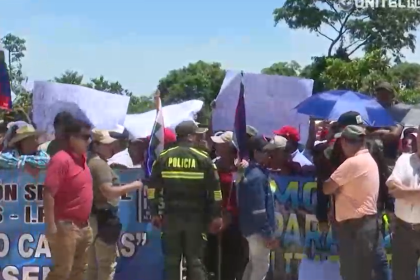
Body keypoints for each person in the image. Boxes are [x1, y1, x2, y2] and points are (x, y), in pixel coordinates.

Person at [148, 120, 223, 280]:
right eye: (197, 135)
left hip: (170, 218)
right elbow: (215, 192)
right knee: (195, 261)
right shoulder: (203, 158)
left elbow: (153, 188)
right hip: (196, 219)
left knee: (171, 261)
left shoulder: (163, 157)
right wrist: (216, 215)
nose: (199, 137)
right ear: (190, 136)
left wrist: (154, 212)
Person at [323, 125, 379, 280]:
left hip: (355, 227)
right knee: (362, 273)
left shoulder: (352, 163)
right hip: (365, 225)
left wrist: (338, 189)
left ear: (344, 142)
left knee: (352, 273)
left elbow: (327, 187)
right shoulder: (368, 159)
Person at [86, 129, 144, 280]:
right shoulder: (99, 165)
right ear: (96, 145)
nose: (111, 147)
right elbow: (108, 191)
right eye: (107, 145)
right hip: (103, 219)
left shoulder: (89, 160)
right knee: (106, 265)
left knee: (91, 266)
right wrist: (134, 185)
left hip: (91, 218)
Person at [43, 116, 93, 280]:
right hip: (65, 226)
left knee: (79, 272)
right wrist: (51, 226)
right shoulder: (61, 159)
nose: (89, 140)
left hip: (83, 226)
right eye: (85, 137)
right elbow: (49, 192)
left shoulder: (83, 160)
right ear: (72, 138)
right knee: (61, 272)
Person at [207, 131, 248, 280]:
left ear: (229, 147)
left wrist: (242, 169)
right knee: (211, 260)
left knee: (231, 262)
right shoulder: (212, 165)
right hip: (215, 217)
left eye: (220, 144)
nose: (216, 146)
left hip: (234, 221)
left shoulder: (241, 167)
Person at [239, 135, 277, 280]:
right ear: (255, 152)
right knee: (261, 267)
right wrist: (267, 233)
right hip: (258, 230)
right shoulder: (256, 176)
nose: (269, 155)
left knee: (254, 264)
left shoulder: (251, 173)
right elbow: (259, 209)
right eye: (265, 151)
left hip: (251, 228)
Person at [386, 130, 420, 280]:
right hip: (404, 230)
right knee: (401, 276)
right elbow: (392, 187)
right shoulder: (404, 159)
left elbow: (398, 191)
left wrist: (403, 191)